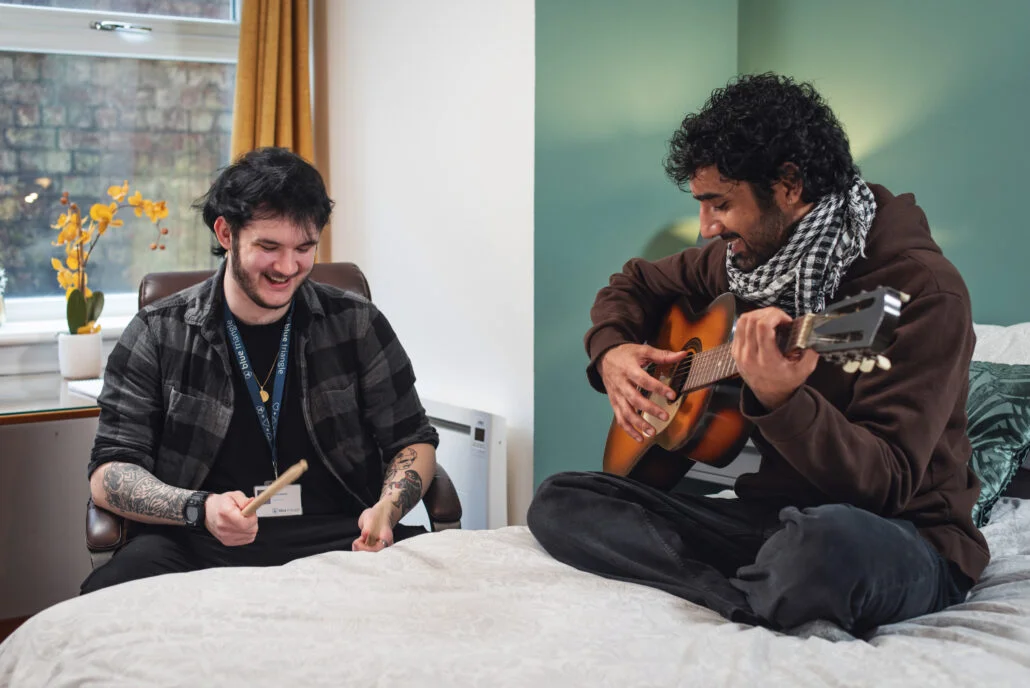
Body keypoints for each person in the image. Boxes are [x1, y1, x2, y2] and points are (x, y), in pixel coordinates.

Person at [527, 74, 988, 635]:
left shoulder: (921, 293)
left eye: (720, 204)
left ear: (789, 184)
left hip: (903, 534)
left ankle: (770, 581)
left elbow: (886, 484)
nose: (706, 228)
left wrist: (782, 398)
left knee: (821, 547)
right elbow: (633, 282)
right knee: (561, 500)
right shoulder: (750, 261)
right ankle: (752, 593)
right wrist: (613, 351)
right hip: (771, 520)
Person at [82, 147, 439, 593]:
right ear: (226, 233)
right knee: (108, 599)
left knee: (445, 586)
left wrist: (387, 509)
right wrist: (199, 508)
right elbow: (110, 473)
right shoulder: (158, 332)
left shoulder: (357, 323)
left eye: (304, 248)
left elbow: (413, 442)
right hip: (200, 544)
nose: (288, 268)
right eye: (269, 247)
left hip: (339, 538)